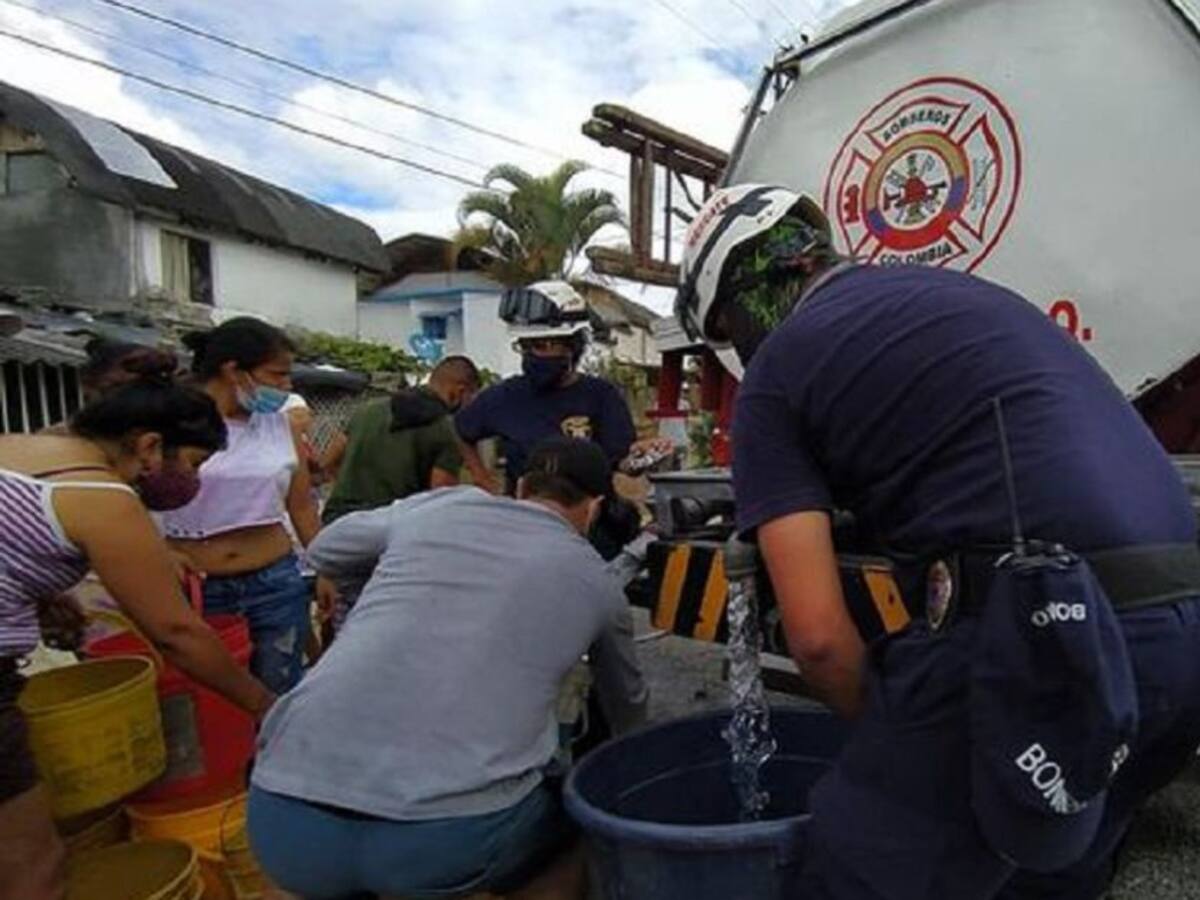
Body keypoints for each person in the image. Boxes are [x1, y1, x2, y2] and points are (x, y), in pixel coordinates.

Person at [677, 183, 1200, 899]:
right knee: (1045, 865)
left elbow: (820, 642)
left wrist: (899, 748)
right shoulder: (962, 296)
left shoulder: (776, 371)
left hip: (1050, 630)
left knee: (851, 868)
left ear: (737, 301)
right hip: (1182, 643)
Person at [246, 438, 648, 899]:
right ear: (594, 509)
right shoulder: (598, 582)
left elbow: (325, 550)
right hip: (442, 844)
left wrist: (386, 577)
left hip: (282, 823)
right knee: (580, 822)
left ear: (519, 486)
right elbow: (627, 711)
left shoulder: (441, 508)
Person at [0, 373, 274, 900]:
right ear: (150, 445)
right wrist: (262, 702)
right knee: (33, 866)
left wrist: (42, 595)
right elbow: (174, 634)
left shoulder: (24, 446)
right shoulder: (99, 495)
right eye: (192, 464)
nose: (189, 480)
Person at [160, 317, 333, 695]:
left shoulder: (280, 427)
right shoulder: (170, 425)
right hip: (197, 588)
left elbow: (301, 508)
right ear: (233, 370)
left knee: (281, 689)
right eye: (277, 375)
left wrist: (325, 568)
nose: (286, 387)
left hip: (275, 583)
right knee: (210, 699)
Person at [322, 355, 481, 525]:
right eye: (471, 398)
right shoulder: (446, 428)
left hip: (338, 521)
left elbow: (327, 462)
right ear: (459, 391)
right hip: (393, 529)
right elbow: (440, 499)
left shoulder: (367, 410)